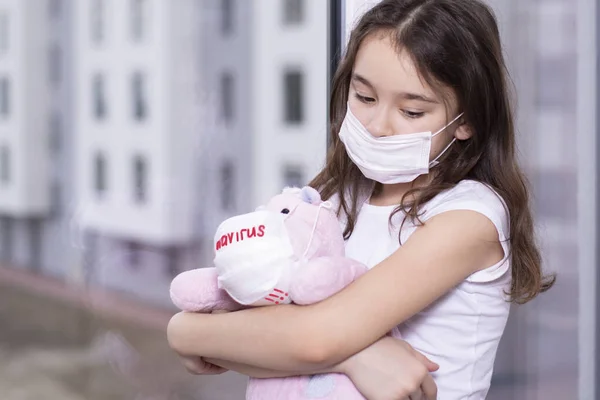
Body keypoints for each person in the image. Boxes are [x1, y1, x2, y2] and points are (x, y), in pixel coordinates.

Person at [167, 0, 556, 398]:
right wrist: (359, 356)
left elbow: (309, 342)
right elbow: (190, 331)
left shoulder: (470, 218)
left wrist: (293, 344)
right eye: (365, 97)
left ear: (468, 120)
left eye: (411, 111)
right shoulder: (332, 200)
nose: (377, 126)